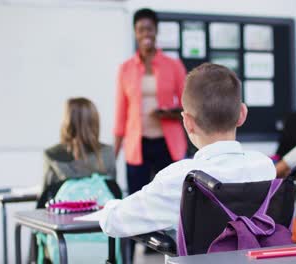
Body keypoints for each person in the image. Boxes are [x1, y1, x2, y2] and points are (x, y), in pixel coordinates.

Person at [79, 63, 276, 240]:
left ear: (187, 122)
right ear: (242, 114)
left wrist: (110, 206)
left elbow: (115, 222)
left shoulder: (181, 178)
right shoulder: (265, 167)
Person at [114, 8, 187, 199]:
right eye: (141, 29)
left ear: (156, 31)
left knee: (171, 198)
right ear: (135, 33)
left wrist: (168, 113)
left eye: (150, 29)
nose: (146, 33)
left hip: (167, 143)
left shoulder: (173, 65)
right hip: (137, 145)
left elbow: (187, 104)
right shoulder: (126, 69)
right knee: (136, 199)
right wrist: (112, 157)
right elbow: (121, 115)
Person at [41, 97, 116, 196]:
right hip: (101, 210)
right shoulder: (107, 153)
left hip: (63, 210)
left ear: (67, 122)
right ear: (94, 121)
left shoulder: (52, 155)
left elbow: (44, 196)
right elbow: (115, 192)